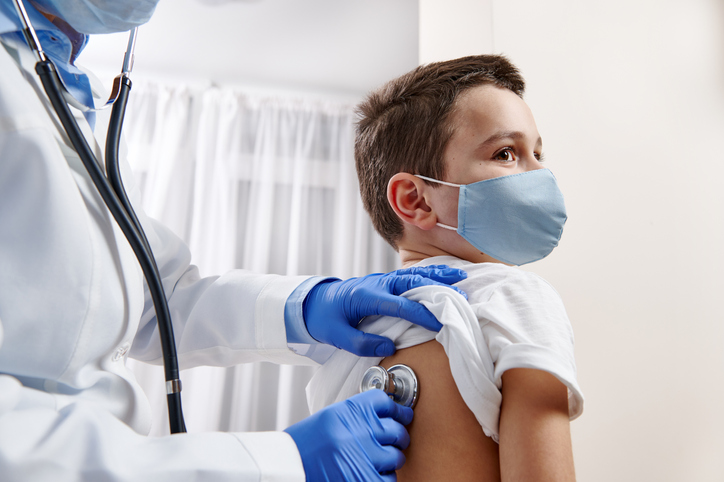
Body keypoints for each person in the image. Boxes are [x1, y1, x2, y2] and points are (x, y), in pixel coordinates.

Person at [0, 1, 470, 480]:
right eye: (504, 152)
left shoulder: (57, 95)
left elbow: (156, 299)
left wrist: (304, 307)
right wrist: (280, 462)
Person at [306, 55, 585, 480]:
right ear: (416, 200)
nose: (539, 174)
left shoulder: (350, 336)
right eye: (507, 153)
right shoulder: (513, 296)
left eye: (538, 152)